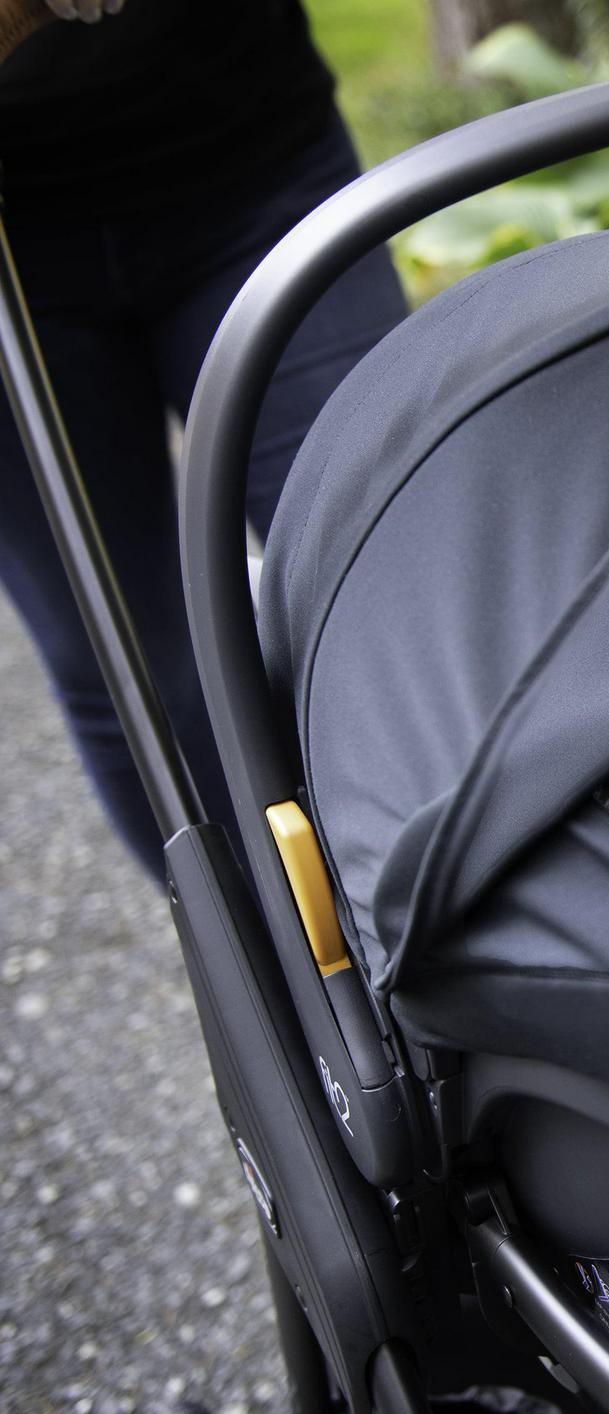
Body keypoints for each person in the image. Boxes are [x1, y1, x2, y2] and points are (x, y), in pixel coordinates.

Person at [0, 0, 408, 873]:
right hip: (14, 257)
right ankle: (265, 947)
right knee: (130, 672)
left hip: (249, 158)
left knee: (392, 572)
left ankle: (459, 914)